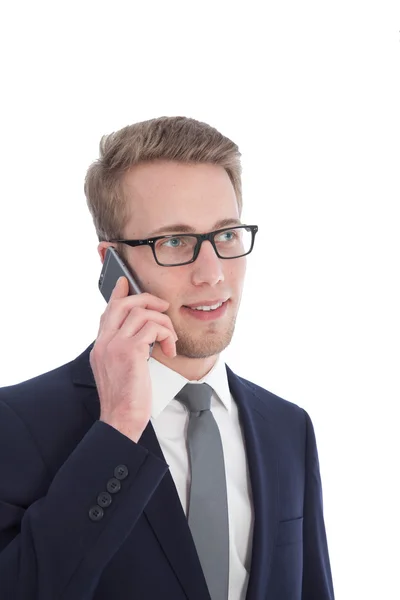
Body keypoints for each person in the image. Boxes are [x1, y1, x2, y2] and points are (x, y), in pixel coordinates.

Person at [0, 116, 335, 600]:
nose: (212, 273)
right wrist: (116, 428)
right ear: (112, 265)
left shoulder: (287, 428)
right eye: (174, 242)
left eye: (226, 235)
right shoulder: (18, 424)